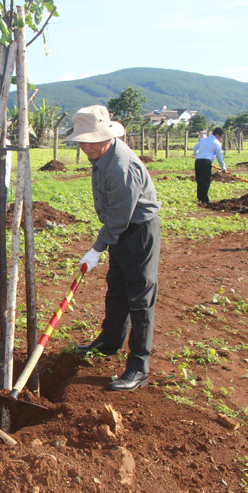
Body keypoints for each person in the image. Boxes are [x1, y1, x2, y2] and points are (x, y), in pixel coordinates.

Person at [67, 105, 161, 392]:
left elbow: (121, 217)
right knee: (117, 286)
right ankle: (108, 343)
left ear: (106, 136)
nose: (86, 147)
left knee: (139, 298)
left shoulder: (122, 166)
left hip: (138, 232)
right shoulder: (102, 156)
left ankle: (138, 368)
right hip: (121, 230)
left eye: (92, 140)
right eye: (82, 141)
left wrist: (97, 248)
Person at [192, 127, 227, 205]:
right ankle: (204, 200)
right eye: (221, 137)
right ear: (218, 135)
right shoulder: (216, 143)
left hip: (198, 161)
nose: (221, 139)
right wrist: (223, 167)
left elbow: (194, 148)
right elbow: (219, 157)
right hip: (206, 162)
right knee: (206, 181)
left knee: (199, 180)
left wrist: (198, 155)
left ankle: (200, 198)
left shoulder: (204, 140)